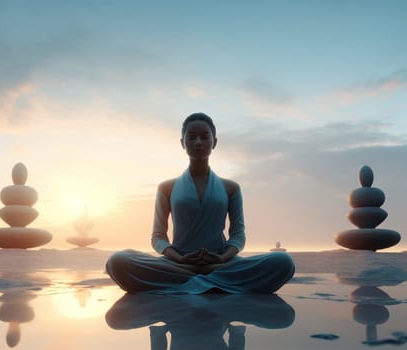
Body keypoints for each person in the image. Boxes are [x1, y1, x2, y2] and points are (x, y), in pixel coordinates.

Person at [106, 112, 295, 294]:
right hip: (179, 265)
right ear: (182, 143)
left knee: (283, 261)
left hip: (220, 264)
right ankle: (211, 281)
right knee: (118, 261)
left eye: (205, 137)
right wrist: (179, 258)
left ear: (214, 142)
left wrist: (221, 258)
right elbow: (158, 237)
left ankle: (196, 279)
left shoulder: (231, 187)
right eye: (192, 137)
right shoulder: (166, 187)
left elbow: (238, 235)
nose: (198, 143)